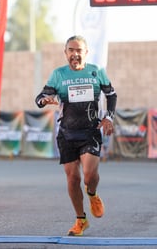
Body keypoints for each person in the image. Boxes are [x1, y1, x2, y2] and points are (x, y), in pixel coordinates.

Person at [35, 35, 117, 236]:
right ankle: (81, 220)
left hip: (90, 131)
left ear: (86, 53)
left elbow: (111, 94)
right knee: (72, 179)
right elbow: (39, 98)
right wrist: (46, 100)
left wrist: (109, 118)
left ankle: (92, 193)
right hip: (67, 133)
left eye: (79, 50)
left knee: (89, 176)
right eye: (71, 50)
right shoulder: (58, 74)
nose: (75, 54)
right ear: (66, 53)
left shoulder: (96, 72)